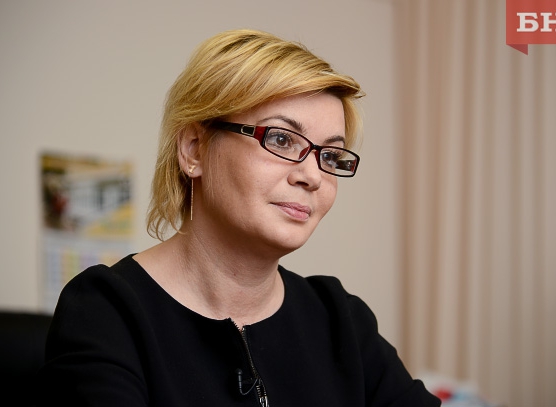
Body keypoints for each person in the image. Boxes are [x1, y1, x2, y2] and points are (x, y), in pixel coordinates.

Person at [35, 29, 440, 407]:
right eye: (281, 138)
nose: (313, 176)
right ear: (194, 149)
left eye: (330, 156)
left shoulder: (341, 320)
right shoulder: (106, 311)